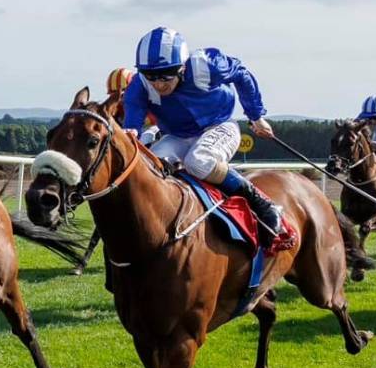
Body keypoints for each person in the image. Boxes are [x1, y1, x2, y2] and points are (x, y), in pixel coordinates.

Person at [121, 27, 290, 246]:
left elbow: (241, 74)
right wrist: (131, 131)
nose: (159, 84)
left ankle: (264, 205)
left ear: (182, 67)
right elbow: (132, 121)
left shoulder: (206, 64)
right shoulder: (139, 84)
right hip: (178, 135)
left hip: (219, 126)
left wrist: (256, 116)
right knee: (151, 166)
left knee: (198, 161)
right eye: (151, 76)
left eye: (166, 75)